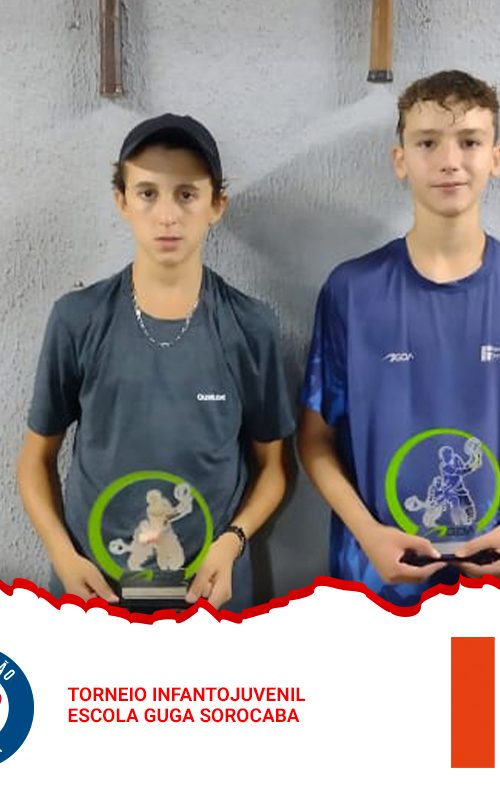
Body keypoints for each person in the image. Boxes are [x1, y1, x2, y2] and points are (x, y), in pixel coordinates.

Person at [17, 113, 295, 612]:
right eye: (148, 193)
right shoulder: (77, 318)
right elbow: (35, 458)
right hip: (92, 598)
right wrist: (61, 554)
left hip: (209, 600)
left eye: (186, 194)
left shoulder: (250, 326)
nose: (167, 215)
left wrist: (233, 541)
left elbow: (274, 467)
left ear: (216, 205)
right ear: (122, 201)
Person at [299, 70, 500, 606]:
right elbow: (315, 438)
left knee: (474, 670)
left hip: (490, 596)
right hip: (377, 584)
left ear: (495, 158)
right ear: (400, 160)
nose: (450, 160)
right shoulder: (351, 290)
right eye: (428, 142)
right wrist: (367, 533)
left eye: (470, 142)